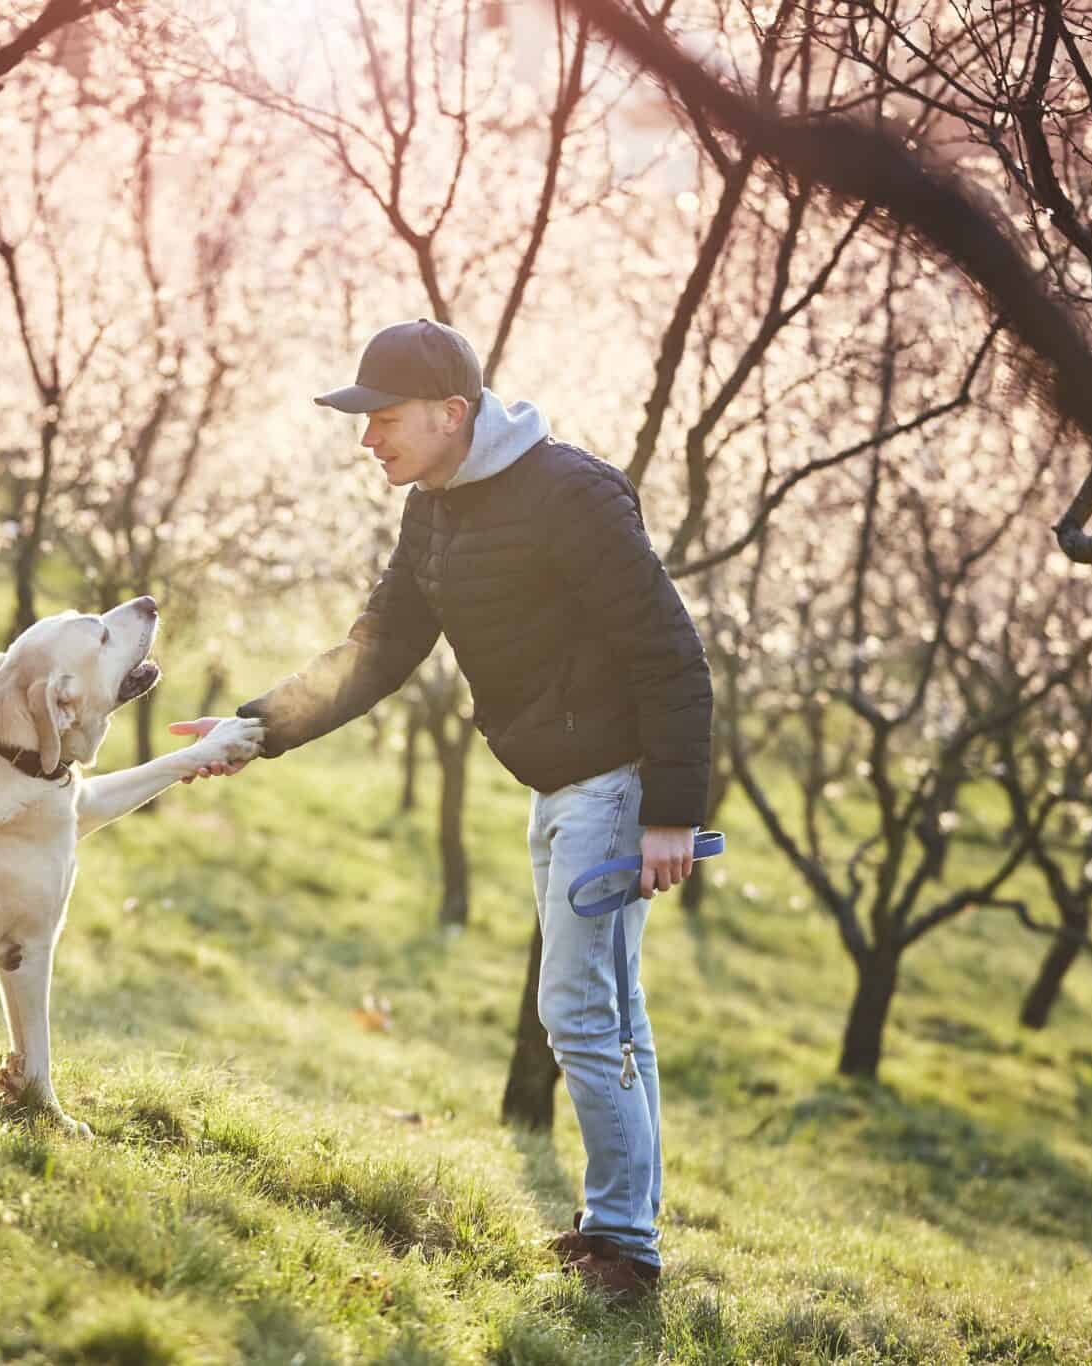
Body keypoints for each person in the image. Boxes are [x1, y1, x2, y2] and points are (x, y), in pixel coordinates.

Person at [172, 318, 713, 1305]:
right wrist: (250, 729)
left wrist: (670, 810)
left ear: (450, 413)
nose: (365, 439)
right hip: (557, 782)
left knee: (578, 1014)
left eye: (379, 418)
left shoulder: (571, 493)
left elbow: (666, 648)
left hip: (614, 782)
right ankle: (620, 1227)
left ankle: (625, 1251)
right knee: (606, 1016)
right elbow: (377, 650)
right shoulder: (434, 506)